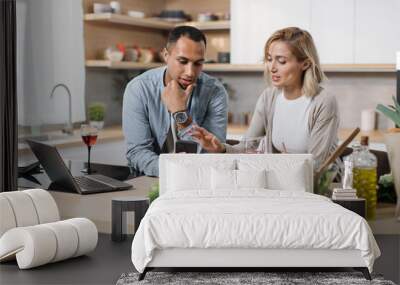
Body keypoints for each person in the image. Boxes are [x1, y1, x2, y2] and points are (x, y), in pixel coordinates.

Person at [192, 27, 339, 171]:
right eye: (269, 59)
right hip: (282, 183)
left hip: (317, 187)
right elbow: (248, 146)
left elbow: (316, 164)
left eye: (281, 61)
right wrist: (221, 148)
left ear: (305, 63)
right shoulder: (269, 97)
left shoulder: (323, 102)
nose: (272, 67)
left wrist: (282, 164)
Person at [122, 26, 228, 177]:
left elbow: (212, 153)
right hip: (147, 179)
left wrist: (180, 114)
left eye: (198, 63)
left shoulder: (215, 92)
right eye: (183, 61)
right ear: (166, 55)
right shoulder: (139, 89)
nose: (190, 72)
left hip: (197, 180)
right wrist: (175, 172)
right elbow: (138, 152)